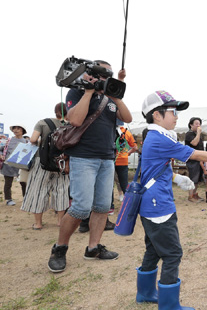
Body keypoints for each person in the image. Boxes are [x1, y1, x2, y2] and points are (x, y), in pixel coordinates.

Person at [136, 90, 207, 307]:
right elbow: (195, 154)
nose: (176, 116)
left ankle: (145, 293)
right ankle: (169, 305)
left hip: (150, 204)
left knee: (153, 249)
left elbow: (152, 169)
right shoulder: (159, 137)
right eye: (173, 112)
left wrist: (175, 178)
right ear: (157, 115)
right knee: (172, 254)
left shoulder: (154, 136)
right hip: (158, 206)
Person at [47, 61, 132, 273]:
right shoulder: (77, 92)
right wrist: (88, 92)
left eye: (108, 74)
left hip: (107, 158)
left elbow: (127, 118)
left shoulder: (110, 98)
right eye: (101, 73)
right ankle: (60, 248)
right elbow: (74, 120)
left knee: (103, 206)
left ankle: (93, 248)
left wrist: (116, 92)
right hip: (83, 157)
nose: (104, 77)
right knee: (81, 207)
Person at [21, 103, 70, 229]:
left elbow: (32, 139)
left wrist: (42, 142)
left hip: (41, 161)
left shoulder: (43, 122)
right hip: (61, 163)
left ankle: (38, 224)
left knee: (38, 191)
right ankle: (60, 221)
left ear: (55, 112)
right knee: (61, 191)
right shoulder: (70, 126)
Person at [0, 125, 27, 206]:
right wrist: (1, 155)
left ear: (22, 131)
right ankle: (8, 199)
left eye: (18, 128)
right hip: (8, 165)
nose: (15, 130)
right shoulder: (8, 140)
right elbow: (0, 149)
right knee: (8, 183)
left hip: (20, 166)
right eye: (14, 128)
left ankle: (25, 199)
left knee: (23, 183)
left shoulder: (26, 142)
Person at [113, 121, 138, 205]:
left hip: (111, 160)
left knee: (109, 185)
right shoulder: (127, 133)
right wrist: (128, 153)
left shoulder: (110, 131)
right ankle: (129, 204)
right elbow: (135, 147)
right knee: (124, 184)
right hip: (123, 160)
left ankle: (110, 207)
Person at [184, 117, 206, 202]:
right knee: (193, 178)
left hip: (199, 158)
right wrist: (198, 133)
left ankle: (194, 194)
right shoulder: (189, 134)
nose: (198, 125)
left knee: (197, 179)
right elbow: (194, 143)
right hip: (192, 159)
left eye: (199, 124)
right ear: (191, 125)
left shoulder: (198, 134)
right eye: (196, 123)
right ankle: (190, 196)